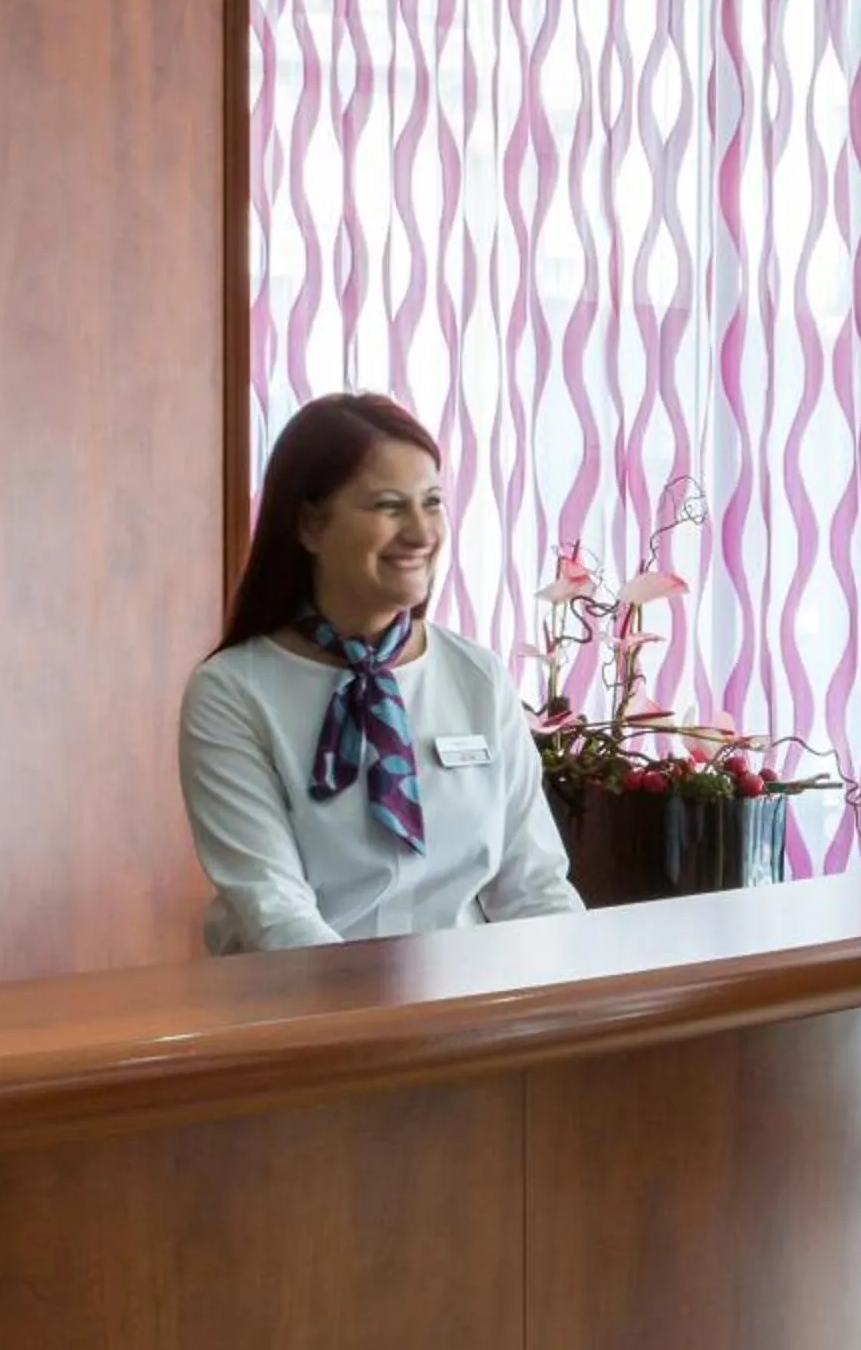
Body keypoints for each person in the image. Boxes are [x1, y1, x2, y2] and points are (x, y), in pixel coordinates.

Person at [181, 393, 580, 952]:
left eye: (433, 502)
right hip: (303, 1018)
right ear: (310, 526)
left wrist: (576, 1005)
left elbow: (536, 888)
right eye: (390, 507)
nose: (421, 533)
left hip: (467, 1012)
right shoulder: (234, 693)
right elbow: (274, 912)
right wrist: (385, 1033)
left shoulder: (477, 677)